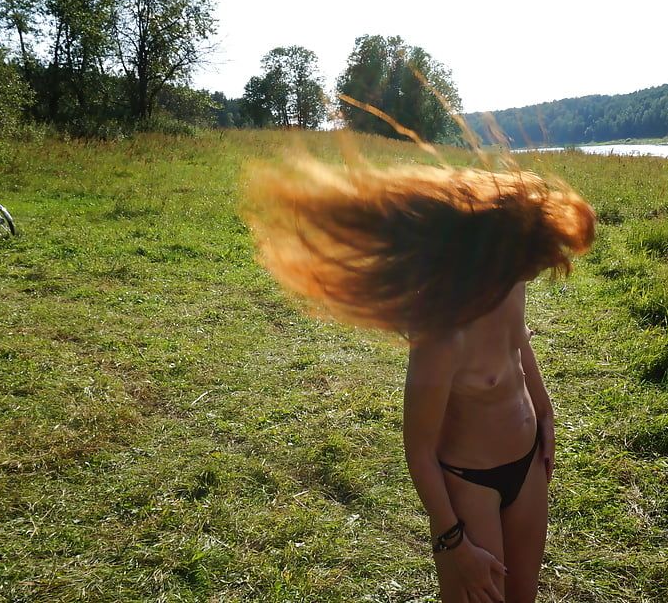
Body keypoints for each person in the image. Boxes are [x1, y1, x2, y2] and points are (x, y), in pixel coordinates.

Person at [244, 159, 596, 602]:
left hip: (527, 468)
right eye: (532, 261)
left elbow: (517, 345)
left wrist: (544, 411)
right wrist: (454, 543)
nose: (537, 272)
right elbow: (420, 453)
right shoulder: (442, 333)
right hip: (472, 486)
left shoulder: (509, 284)